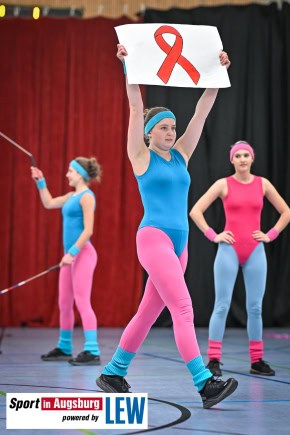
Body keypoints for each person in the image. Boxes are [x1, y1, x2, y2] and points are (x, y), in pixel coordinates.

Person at [96, 44, 238, 409]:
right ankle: (204, 383)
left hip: (180, 244)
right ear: (148, 133)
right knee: (183, 308)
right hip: (154, 239)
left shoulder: (182, 155)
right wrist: (128, 68)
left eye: (173, 126)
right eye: (164, 127)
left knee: (149, 312)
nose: (172, 131)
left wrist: (216, 77)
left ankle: (113, 371)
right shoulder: (140, 156)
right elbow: (132, 107)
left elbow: (202, 114)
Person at [189, 141, 290, 377]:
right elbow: (196, 210)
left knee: (255, 308)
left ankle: (257, 360)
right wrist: (214, 235)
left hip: (255, 250)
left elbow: (286, 212)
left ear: (252, 158)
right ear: (232, 160)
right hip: (229, 250)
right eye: (238, 155)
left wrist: (270, 234)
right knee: (222, 305)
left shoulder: (262, 184)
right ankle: (213, 359)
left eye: (246, 155)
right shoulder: (223, 184)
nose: (242, 159)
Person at [31, 156, 102, 366]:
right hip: (70, 257)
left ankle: (92, 350)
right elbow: (48, 202)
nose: (67, 174)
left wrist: (71, 252)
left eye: (70, 171)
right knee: (64, 303)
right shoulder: (72, 195)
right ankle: (64, 346)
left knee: (82, 302)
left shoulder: (87, 197)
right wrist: (40, 181)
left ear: (80, 174)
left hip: (82, 255)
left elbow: (88, 230)